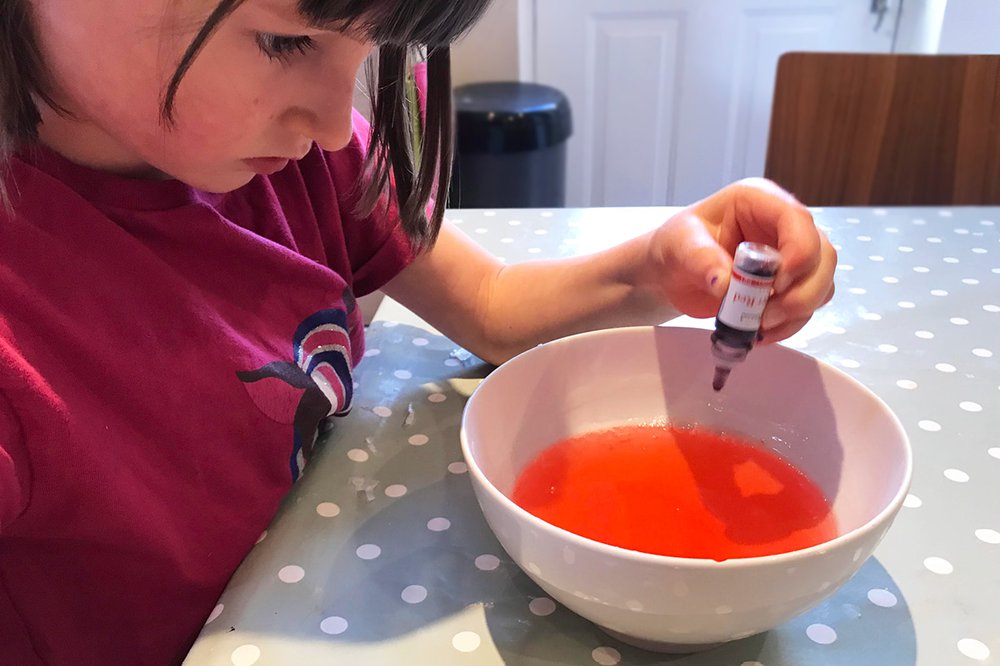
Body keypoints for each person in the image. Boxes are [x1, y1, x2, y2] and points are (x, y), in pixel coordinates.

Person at [0, 0, 836, 663]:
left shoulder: (300, 160)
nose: (334, 123)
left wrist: (654, 269)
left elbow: (493, 302)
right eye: (285, 43)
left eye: (368, 53)